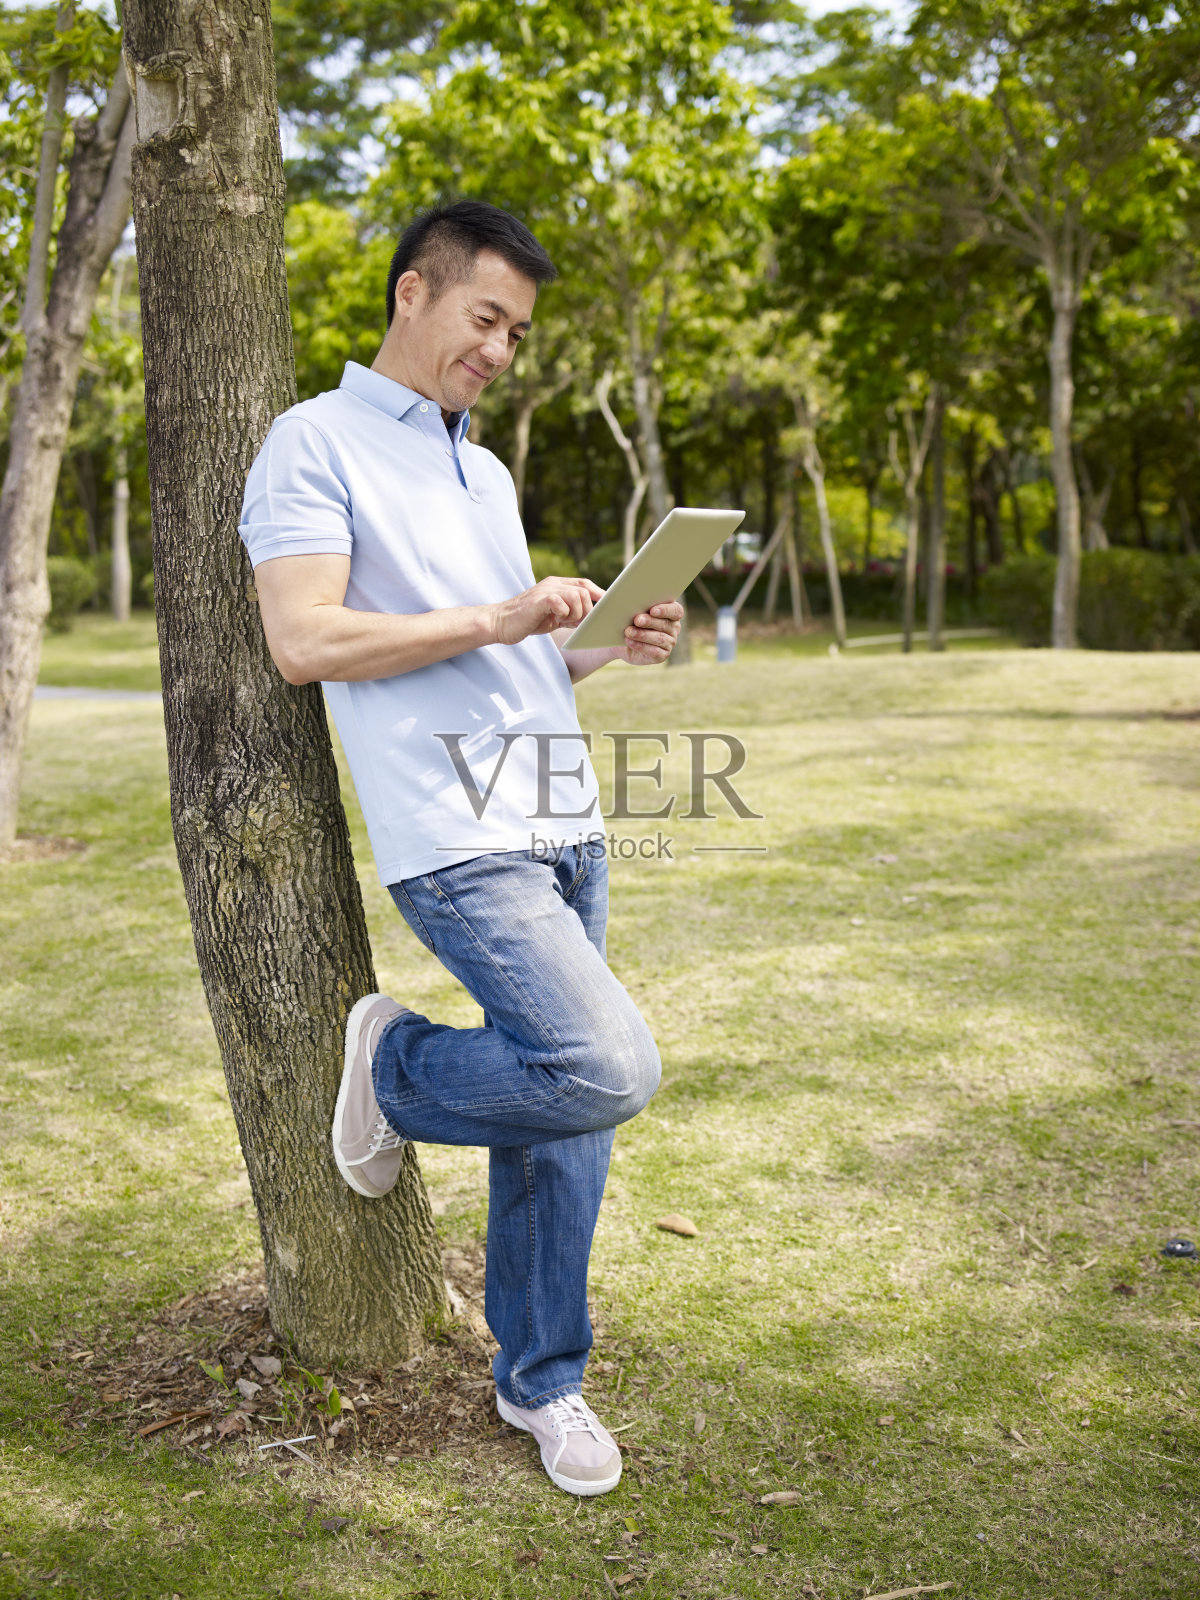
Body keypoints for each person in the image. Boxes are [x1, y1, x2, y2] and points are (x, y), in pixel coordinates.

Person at [238, 201, 683, 1497]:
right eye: (486, 319)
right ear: (409, 295)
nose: (499, 349)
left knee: (570, 1119)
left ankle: (541, 1382)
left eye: (517, 332)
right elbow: (305, 642)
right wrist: (499, 612)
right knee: (605, 1062)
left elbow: (509, 669)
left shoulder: (481, 470)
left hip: (562, 812)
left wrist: (592, 647)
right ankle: (400, 1064)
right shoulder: (309, 445)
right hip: (457, 833)